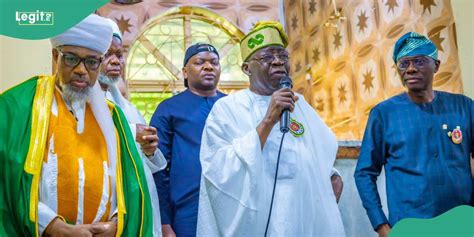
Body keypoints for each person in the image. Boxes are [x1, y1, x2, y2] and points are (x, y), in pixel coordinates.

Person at [0, 14, 156, 236]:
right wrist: (55, 227)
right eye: (72, 58)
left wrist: (116, 224)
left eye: (92, 61)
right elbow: (7, 181)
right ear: (56, 56)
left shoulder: (114, 117)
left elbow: (131, 188)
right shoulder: (18, 107)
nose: (82, 70)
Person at [196, 21, 345, 236]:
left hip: (302, 214)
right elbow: (217, 169)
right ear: (247, 68)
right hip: (258, 217)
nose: (277, 62)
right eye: (267, 57)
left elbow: (318, 151)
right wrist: (268, 120)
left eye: (282, 57)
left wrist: (332, 176)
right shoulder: (227, 108)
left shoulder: (300, 103)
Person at [354, 32, 473, 237]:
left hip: (463, 221)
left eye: (419, 61)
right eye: (403, 63)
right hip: (410, 226)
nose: (410, 69)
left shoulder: (464, 106)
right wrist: (381, 226)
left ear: (435, 65)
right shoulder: (384, 114)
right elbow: (364, 172)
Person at [99, 19, 167, 236]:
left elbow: (152, 166)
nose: (115, 61)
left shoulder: (128, 108)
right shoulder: (79, 103)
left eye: (119, 55)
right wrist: (130, 131)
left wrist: (150, 151)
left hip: (138, 203)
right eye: (107, 54)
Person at [150, 43, 226, 237]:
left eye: (214, 62)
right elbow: (157, 168)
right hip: (187, 211)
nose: (208, 67)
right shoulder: (168, 109)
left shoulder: (232, 106)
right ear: (185, 72)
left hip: (230, 206)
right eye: (200, 62)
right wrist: (164, 222)